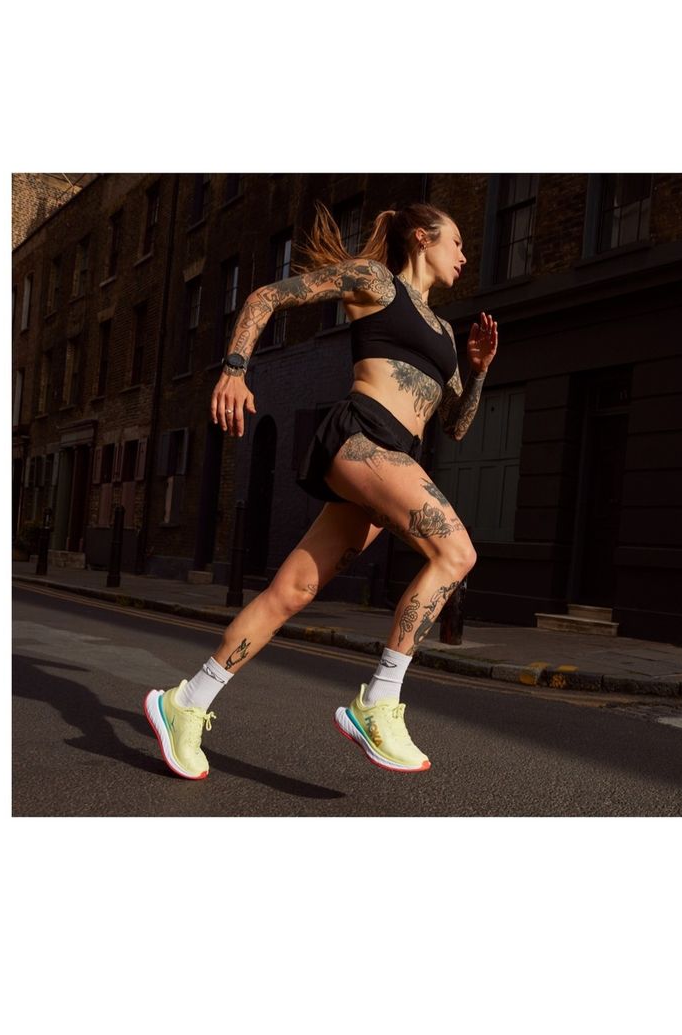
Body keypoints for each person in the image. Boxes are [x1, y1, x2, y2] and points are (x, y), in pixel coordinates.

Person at [143, 202, 498, 777]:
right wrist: (234, 369)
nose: (463, 254)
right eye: (455, 241)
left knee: (293, 591)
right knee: (456, 552)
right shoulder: (375, 281)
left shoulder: (444, 333)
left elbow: (455, 426)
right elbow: (266, 297)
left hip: (392, 460)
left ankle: (186, 702)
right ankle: (379, 701)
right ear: (421, 237)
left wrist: (477, 371)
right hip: (361, 439)